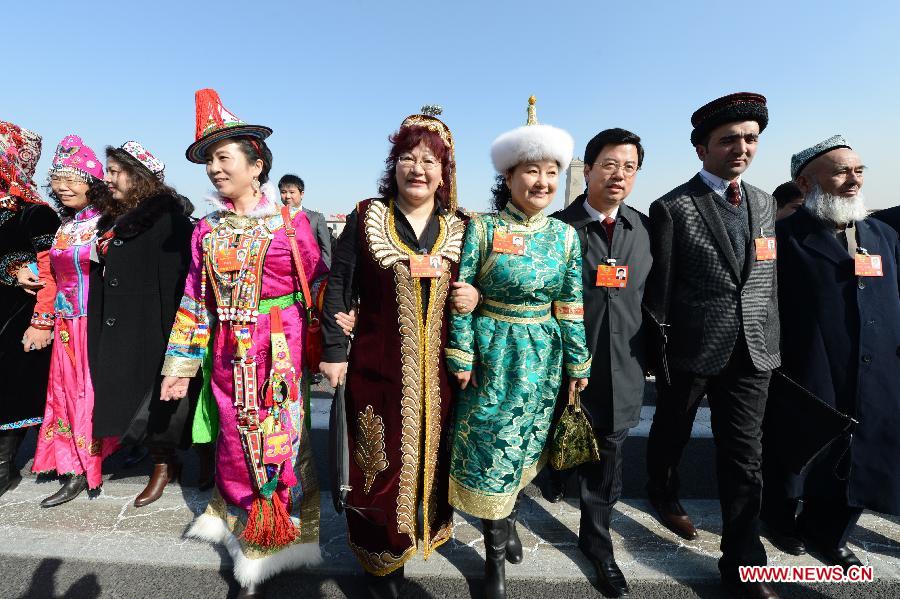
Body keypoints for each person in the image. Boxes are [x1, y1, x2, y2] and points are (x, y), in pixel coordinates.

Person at [159, 89, 326, 598]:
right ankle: (240, 527)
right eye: (209, 160)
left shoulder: (288, 223)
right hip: (228, 355)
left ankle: (275, 533)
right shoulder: (205, 230)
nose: (214, 168)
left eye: (223, 157)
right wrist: (180, 365)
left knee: (278, 440)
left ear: (256, 166)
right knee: (233, 439)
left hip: (278, 351)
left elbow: (316, 282)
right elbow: (195, 295)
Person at [319, 108, 477, 599]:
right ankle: (380, 565)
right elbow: (340, 284)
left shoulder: (463, 226)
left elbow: (482, 286)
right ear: (394, 166)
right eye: (407, 158)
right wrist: (333, 349)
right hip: (375, 370)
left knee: (434, 461)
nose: (418, 169)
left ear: (445, 172)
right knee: (377, 467)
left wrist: (473, 296)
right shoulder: (368, 216)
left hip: (441, 379)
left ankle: (420, 536)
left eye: (430, 161)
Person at [446, 97, 591, 599]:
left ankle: (503, 524)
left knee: (525, 445)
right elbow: (461, 297)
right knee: (492, 451)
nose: (543, 183)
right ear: (509, 176)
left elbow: (570, 303)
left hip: (543, 360)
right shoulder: (483, 229)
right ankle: (494, 558)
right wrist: (461, 355)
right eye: (532, 171)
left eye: (552, 172)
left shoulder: (566, 237)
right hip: (493, 356)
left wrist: (578, 360)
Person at [643, 93, 781, 599]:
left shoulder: (764, 202)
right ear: (702, 149)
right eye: (729, 140)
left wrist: (770, 337)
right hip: (691, 349)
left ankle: (745, 563)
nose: (741, 148)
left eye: (750, 139)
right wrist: (658, 355)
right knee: (672, 429)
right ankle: (662, 487)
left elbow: (765, 279)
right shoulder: (674, 208)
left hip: (753, 352)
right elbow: (659, 293)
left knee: (745, 456)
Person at [762, 136, 900, 570]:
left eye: (858, 171)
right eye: (840, 172)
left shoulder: (881, 234)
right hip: (808, 366)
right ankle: (780, 520)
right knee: (798, 452)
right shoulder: (783, 235)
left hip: (875, 365)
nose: (853, 180)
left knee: (862, 455)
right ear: (806, 183)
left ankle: (829, 531)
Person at [551, 127, 653, 598]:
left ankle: (597, 541)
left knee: (606, 458)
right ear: (586, 169)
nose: (619, 175)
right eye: (610, 164)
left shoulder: (644, 230)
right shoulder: (557, 230)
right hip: (560, 371)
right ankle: (553, 478)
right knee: (553, 446)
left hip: (620, 367)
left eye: (629, 167)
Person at [88, 141, 195, 508]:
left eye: (116, 171)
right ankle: (157, 457)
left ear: (138, 176)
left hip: (152, 325)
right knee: (128, 395)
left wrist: (173, 346)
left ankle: (164, 464)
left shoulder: (168, 221)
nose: (109, 178)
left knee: (158, 400)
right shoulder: (112, 219)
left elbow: (176, 286)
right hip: (120, 320)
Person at [30, 135, 120, 507]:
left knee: (89, 396)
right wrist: (44, 318)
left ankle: (85, 467)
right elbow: (50, 276)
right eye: (57, 178)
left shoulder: (107, 223)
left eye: (73, 178)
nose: (63, 186)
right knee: (65, 396)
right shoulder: (64, 228)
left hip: (95, 323)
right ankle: (68, 463)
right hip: (67, 321)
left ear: (93, 183)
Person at [0, 121, 59, 498]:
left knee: (11, 390)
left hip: (16, 317)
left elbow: (51, 273)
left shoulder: (36, 214)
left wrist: (41, 322)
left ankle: (5, 467)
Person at [279, 174, 331, 268]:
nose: (287, 196)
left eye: (292, 192)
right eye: (283, 192)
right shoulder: (275, 219)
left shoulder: (316, 218)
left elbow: (325, 250)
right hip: (284, 273)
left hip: (312, 272)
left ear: (302, 194)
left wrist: (323, 277)